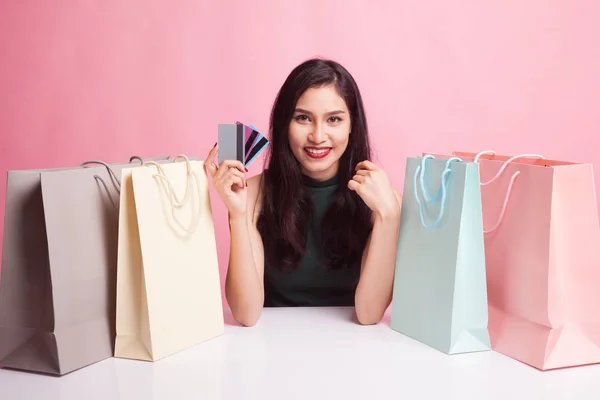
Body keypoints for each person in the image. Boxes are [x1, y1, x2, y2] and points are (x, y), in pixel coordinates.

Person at [204, 58, 402, 327]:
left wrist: (389, 216)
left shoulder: (381, 200)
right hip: (271, 349)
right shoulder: (253, 193)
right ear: (284, 124)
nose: (318, 136)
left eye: (333, 119)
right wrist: (237, 215)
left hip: (353, 351)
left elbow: (368, 315)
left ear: (352, 125)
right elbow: (246, 314)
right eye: (303, 118)